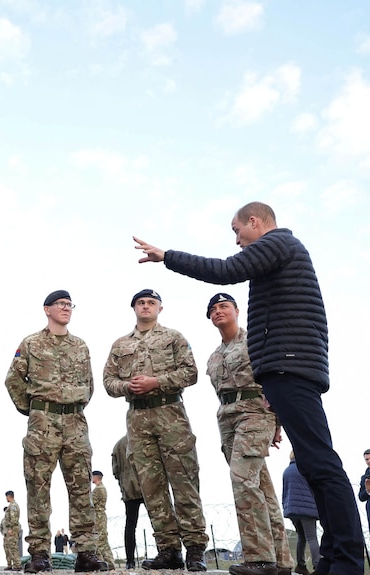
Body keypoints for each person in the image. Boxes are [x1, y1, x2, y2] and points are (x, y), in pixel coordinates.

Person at [134, 201, 364, 575]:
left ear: (255, 222)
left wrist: (168, 256)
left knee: (321, 464)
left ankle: (347, 561)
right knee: (312, 462)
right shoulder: (280, 255)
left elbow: (225, 271)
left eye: (237, 230)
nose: (238, 239)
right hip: (286, 369)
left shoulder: (278, 244)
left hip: (290, 366)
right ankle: (336, 556)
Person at [103, 289, 208, 572]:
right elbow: (108, 381)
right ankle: (168, 548)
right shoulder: (120, 344)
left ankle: (196, 548)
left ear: (160, 308)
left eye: (151, 303)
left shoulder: (173, 337)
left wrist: (156, 381)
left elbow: (191, 372)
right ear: (134, 308)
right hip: (138, 418)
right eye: (141, 303)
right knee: (151, 487)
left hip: (171, 414)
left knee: (184, 481)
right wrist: (128, 386)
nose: (146, 306)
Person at [5, 289, 108, 573]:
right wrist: (34, 409)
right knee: (38, 488)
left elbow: (89, 385)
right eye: (60, 304)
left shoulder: (81, 346)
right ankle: (39, 553)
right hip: (43, 424)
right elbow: (13, 380)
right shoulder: (31, 344)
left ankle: (86, 552)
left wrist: (71, 405)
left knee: (80, 488)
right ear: (46, 309)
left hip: (75, 422)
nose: (66, 308)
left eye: (69, 304)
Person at [205, 292, 293, 575]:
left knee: (242, 479)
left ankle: (259, 558)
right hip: (227, 418)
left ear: (236, 311)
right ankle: (281, 560)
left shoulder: (254, 340)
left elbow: (274, 376)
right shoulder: (214, 356)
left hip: (255, 413)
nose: (219, 311)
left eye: (224, 306)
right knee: (260, 487)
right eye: (214, 309)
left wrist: (277, 422)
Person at [283, 452, 321, 575]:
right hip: (307, 509)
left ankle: (301, 564)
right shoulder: (306, 469)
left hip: (292, 509)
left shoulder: (287, 471)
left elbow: (285, 492)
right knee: (312, 537)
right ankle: (317, 565)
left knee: (301, 537)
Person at [111, 435, 146, 569]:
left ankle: (130, 561)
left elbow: (115, 471)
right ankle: (165, 552)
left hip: (128, 487)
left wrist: (123, 480)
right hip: (147, 485)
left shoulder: (118, 445)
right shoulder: (143, 438)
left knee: (130, 525)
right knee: (158, 522)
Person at [91, 471, 116, 570]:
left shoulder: (98, 489)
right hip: (101, 516)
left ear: (96, 477)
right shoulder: (102, 488)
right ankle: (109, 563)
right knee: (103, 540)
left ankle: (104, 563)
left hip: (98, 516)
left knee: (99, 540)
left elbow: (91, 503)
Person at [1, 491, 22, 571]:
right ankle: (10, 564)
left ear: (9, 496)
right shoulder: (11, 506)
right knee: (8, 547)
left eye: (6, 497)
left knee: (13, 547)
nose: (6, 498)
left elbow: (13, 519)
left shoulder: (13, 506)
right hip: (8, 531)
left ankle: (17, 565)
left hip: (12, 530)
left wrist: (10, 528)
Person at [357, 449, 370, 535]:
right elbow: (361, 497)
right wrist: (368, 491)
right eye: (367, 459)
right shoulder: (365, 478)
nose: (369, 461)